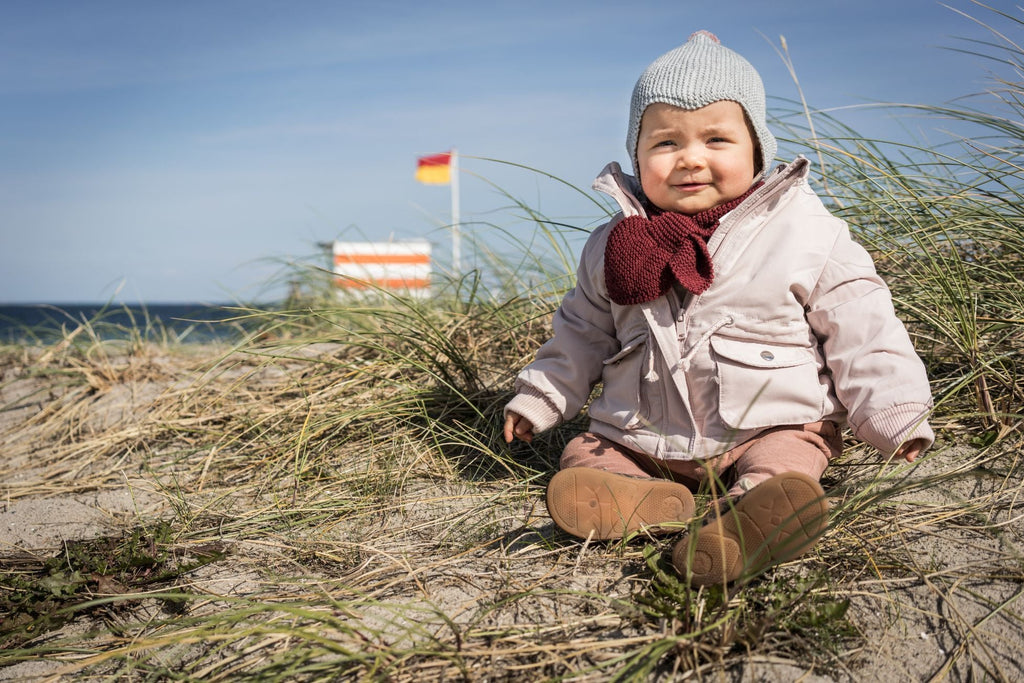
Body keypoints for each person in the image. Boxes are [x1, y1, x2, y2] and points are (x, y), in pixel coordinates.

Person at [502, 31, 934, 586]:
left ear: (757, 149)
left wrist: (896, 414)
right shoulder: (614, 243)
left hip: (769, 423)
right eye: (664, 143)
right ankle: (637, 499)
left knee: (788, 459)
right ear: (636, 155)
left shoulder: (806, 233)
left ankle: (749, 518)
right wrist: (540, 398)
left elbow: (863, 326)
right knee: (588, 451)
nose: (690, 158)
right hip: (642, 433)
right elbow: (580, 332)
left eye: (716, 140)